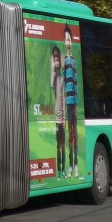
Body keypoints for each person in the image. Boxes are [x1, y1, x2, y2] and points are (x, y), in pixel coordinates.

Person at [63, 27, 79, 178]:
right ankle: (70, 164)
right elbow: (63, 82)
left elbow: (76, 81)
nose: (67, 42)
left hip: (74, 102)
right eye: (65, 39)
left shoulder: (73, 60)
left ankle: (76, 165)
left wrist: (77, 104)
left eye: (69, 39)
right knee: (69, 135)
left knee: (75, 135)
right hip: (67, 102)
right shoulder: (64, 60)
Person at [50, 44, 66, 178]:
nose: (56, 62)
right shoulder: (55, 78)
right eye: (54, 59)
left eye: (57, 59)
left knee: (63, 144)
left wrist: (65, 118)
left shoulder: (63, 78)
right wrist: (53, 70)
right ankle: (59, 170)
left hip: (62, 117)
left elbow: (64, 98)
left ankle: (64, 168)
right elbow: (51, 85)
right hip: (55, 117)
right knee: (57, 145)